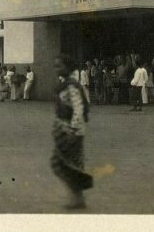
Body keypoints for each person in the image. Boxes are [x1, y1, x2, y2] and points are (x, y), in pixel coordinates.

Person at [51, 54, 93, 209]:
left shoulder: (72, 86)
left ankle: (77, 198)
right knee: (65, 164)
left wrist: (73, 129)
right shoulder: (64, 84)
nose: (56, 69)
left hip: (72, 130)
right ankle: (77, 197)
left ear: (68, 68)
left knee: (66, 164)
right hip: (64, 129)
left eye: (59, 66)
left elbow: (78, 108)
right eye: (55, 66)